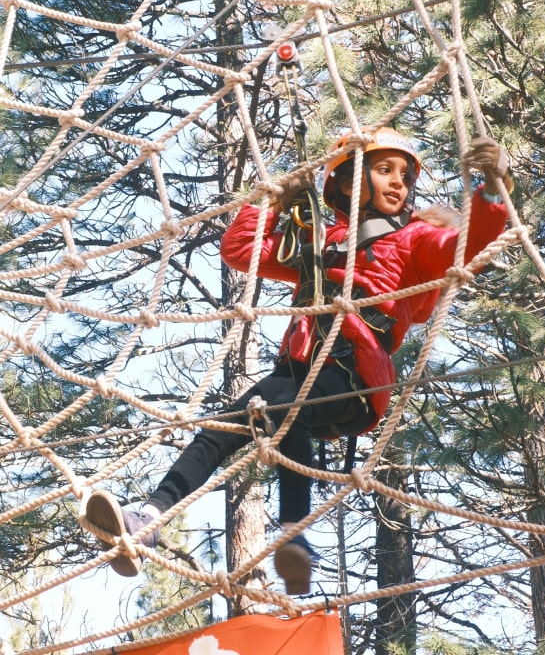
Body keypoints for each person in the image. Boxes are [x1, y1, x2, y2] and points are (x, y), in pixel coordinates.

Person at [82, 127, 515, 595]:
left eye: (405, 177)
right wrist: (271, 206)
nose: (399, 184)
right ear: (349, 183)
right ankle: (149, 516)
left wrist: (492, 189)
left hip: (356, 372)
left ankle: (294, 535)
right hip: (298, 367)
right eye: (385, 170)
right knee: (223, 426)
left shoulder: (415, 241)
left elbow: (462, 247)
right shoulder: (319, 240)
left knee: (288, 413)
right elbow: (241, 252)